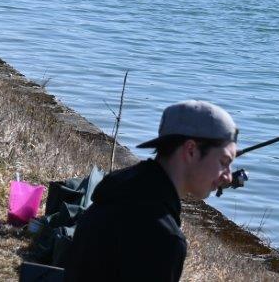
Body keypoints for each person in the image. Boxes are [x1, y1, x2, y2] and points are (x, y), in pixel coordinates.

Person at [63, 100, 239, 282]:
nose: (228, 177)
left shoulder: (121, 188)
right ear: (191, 150)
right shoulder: (162, 238)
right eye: (224, 162)